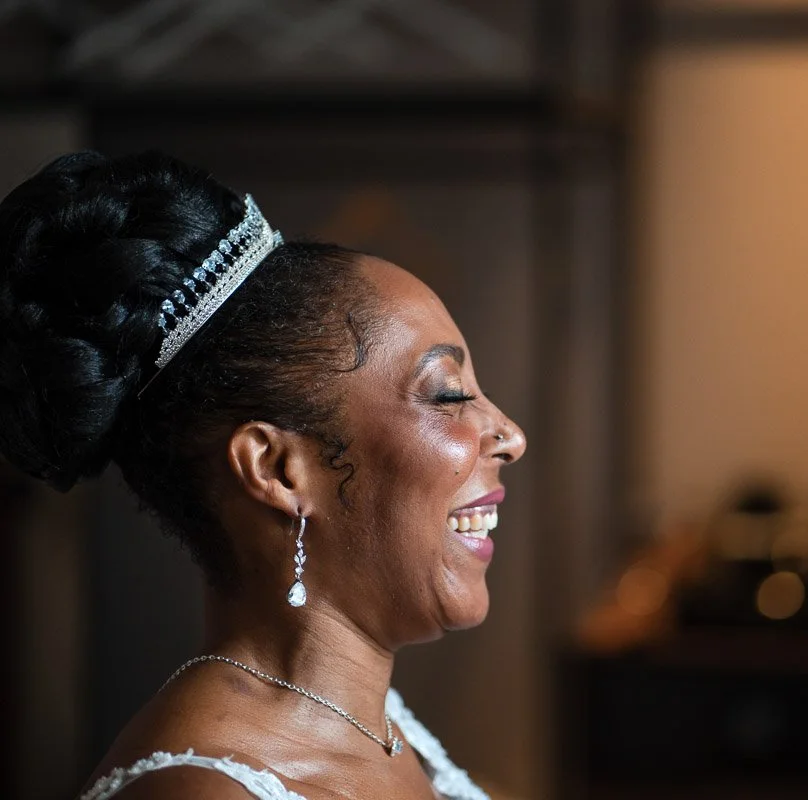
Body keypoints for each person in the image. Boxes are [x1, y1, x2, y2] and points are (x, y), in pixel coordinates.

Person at [0, 151, 526, 799]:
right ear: (278, 469)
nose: (510, 435)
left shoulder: (388, 733)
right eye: (448, 395)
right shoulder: (203, 792)